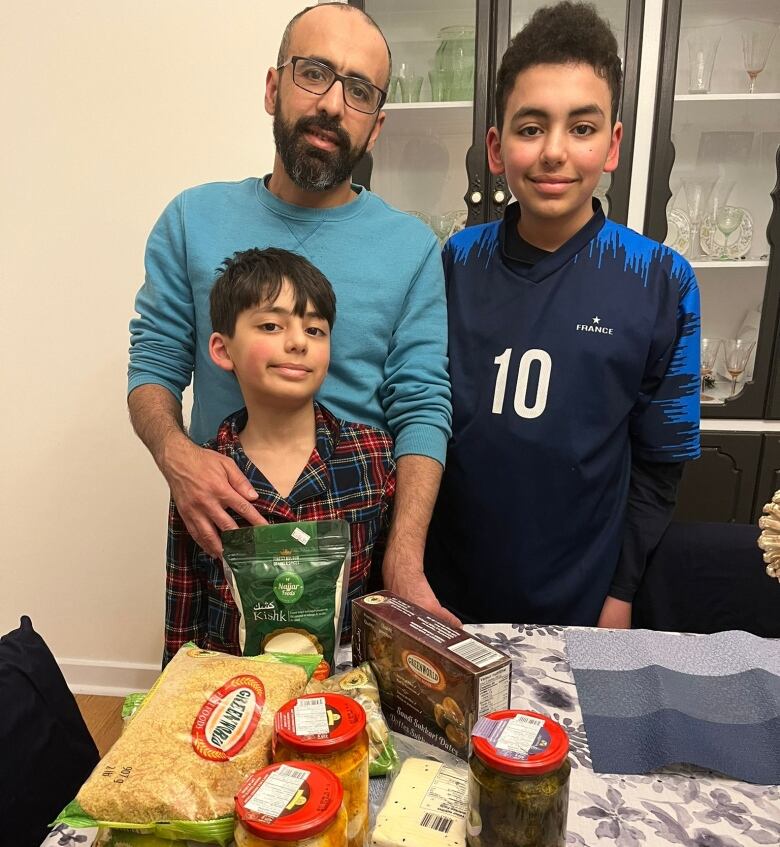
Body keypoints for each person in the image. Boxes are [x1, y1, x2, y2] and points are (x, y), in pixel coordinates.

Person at [127, 3, 457, 627]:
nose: (333, 104)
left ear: (376, 125)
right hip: (230, 534)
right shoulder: (191, 221)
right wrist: (176, 454)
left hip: (355, 543)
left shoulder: (411, 248)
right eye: (314, 73)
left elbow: (422, 404)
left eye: (358, 90)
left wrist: (404, 562)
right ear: (274, 86)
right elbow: (155, 362)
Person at [425, 1, 701, 629]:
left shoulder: (661, 279)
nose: (554, 151)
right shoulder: (454, 263)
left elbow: (661, 466)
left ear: (613, 144)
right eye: (530, 128)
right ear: (495, 147)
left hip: (581, 603)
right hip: (446, 597)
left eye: (581, 127)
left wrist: (622, 593)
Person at [165, 247, 395, 663]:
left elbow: (387, 599)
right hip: (236, 693)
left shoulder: (372, 455)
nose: (296, 343)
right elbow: (185, 609)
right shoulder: (201, 473)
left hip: (346, 696)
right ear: (222, 349)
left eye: (315, 331)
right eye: (271, 325)